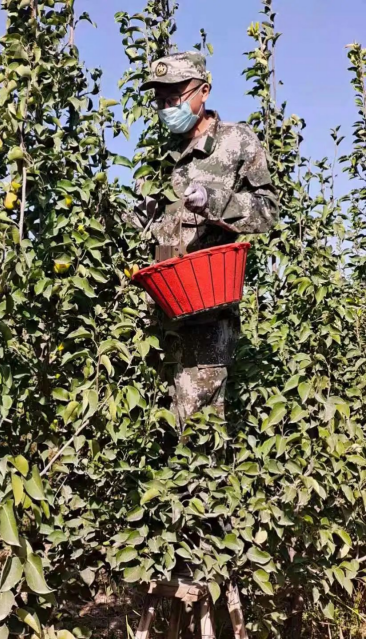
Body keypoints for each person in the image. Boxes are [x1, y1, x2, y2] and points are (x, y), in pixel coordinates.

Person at [136, 51, 278, 426]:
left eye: (175, 96)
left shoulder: (236, 142)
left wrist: (214, 202)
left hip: (207, 316)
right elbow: (148, 228)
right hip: (159, 314)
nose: (168, 107)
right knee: (157, 424)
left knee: (198, 428)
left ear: (204, 91)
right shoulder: (159, 157)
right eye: (161, 100)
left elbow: (268, 212)